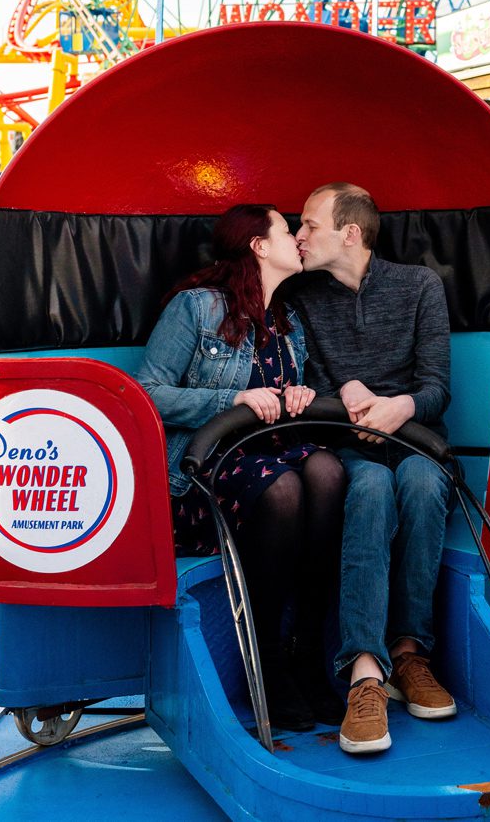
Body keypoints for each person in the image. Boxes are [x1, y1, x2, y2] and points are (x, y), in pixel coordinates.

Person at [137, 203, 349, 731]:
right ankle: (270, 661)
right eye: (286, 230)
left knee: (327, 473)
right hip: (203, 474)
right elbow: (149, 392)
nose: (297, 239)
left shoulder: (287, 323)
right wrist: (235, 399)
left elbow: (294, 395)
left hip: (274, 455)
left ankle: (305, 651)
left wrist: (300, 393)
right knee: (280, 491)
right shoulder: (196, 309)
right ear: (258, 245)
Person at [292, 180, 456, 756]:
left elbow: (436, 388)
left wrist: (401, 406)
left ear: (350, 233)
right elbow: (302, 384)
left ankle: (410, 655)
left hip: (414, 444)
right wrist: (344, 389)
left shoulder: (418, 287)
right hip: (346, 446)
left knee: (418, 481)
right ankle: (365, 671)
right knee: (369, 487)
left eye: (309, 225)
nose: (299, 236)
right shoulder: (302, 299)